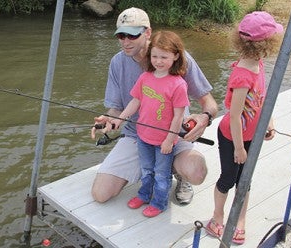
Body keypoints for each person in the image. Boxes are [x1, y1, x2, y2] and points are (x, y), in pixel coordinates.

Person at [90, 7, 218, 205]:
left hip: (174, 135)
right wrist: (109, 120)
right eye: (121, 36)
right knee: (101, 193)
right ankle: (149, 168)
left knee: (197, 172)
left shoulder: (176, 58)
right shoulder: (117, 63)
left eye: (132, 35)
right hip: (137, 134)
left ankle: (177, 174)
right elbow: (116, 109)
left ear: (148, 32)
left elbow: (209, 102)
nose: (125, 42)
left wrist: (205, 118)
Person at [205, 11, 282, 245]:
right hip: (232, 136)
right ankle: (217, 217)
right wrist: (238, 148)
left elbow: (262, 97)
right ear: (264, 43)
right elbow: (236, 115)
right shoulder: (241, 76)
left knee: (245, 180)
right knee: (228, 178)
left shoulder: (257, 65)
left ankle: (240, 220)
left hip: (251, 135)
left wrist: (268, 122)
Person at [111, 30, 190, 217]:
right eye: (154, 56)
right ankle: (144, 194)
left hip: (164, 141)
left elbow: (178, 117)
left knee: (162, 175)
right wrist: (119, 119)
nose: (158, 61)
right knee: (147, 170)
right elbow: (135, 102)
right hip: (143, 136)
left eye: (164, 57)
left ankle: (159, 202)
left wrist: (169, 140)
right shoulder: (145, 77)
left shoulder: (178, 84)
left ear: (176, 56)